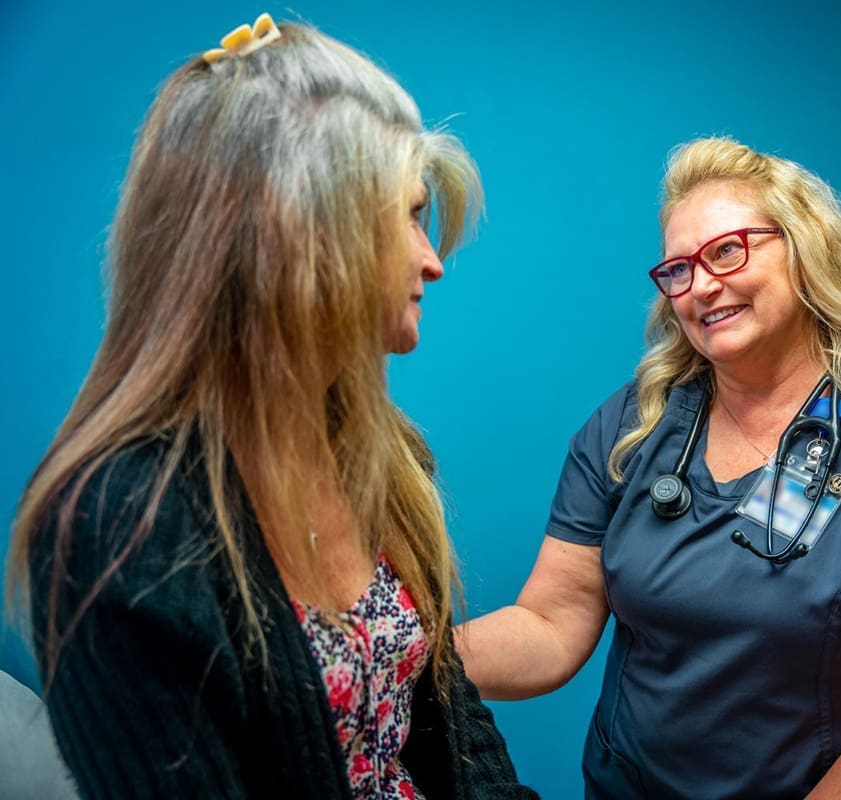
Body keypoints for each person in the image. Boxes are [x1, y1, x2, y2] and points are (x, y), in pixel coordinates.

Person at [7, 14, 535, 800]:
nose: (434, 262)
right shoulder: (120, 526)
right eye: (411, 215)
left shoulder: (385, 456)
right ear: (301, 229)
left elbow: (450, 720)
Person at [457, 137, 841, 799]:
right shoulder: (631, 428)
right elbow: (549, 625)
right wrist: (405, 658)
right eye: (678, 270)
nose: (701, 286)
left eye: (727, 251)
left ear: (805, 251)